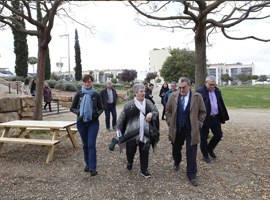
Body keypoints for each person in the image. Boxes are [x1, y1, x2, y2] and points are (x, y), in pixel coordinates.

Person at [165, 77, 206, 186]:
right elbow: (167, 110)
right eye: (180, 87)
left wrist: (198, 124)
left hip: (191, 129)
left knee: (191, 152)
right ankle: (177, 161)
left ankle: (192, 174)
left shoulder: (197, 97)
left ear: (189, 86)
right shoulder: (173, 96)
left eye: (184, 87)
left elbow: (202, 112)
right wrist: (170, 122)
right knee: (176, 148)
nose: (181, 90)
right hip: (177, 128)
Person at [116, 83, 159, 178]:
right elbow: (122, 118)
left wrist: (151, 114)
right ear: (136, 93)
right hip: (132, 134)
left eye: (144, 91)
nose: (144, 93)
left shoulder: (148, 102)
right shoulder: (129, 104)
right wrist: (118, 130)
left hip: (145, 133)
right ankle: (130, 161)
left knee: (145, 152)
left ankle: (144, 170)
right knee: (130, 152)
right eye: (141, 91)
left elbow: (156, 111)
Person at [70, 75, 103, 176]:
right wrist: (79, 112)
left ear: (92, 82)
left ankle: (93, 168)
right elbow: (72, 108)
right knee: (85, 145)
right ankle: (87, 164)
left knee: (91, 144)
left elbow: (101, 108)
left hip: (93, 123)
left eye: (89, 82)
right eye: (86, 82)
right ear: (83, 83)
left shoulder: (96, 95)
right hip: (81, 123)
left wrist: (96, 114)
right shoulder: (79, 94)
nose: (87, 83)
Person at [196, 75, 229, 163]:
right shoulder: (199, 92)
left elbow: (220, 103)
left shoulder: (217, 91)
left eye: (214, 84)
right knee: (203, 138)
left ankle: (210, 149)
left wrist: (223, 115)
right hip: (205, 119)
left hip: (215, 118)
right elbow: (195, 107)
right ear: (206, 83)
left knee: (219, 135)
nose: (213, 86)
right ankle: (205, 155)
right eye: (211, 84)